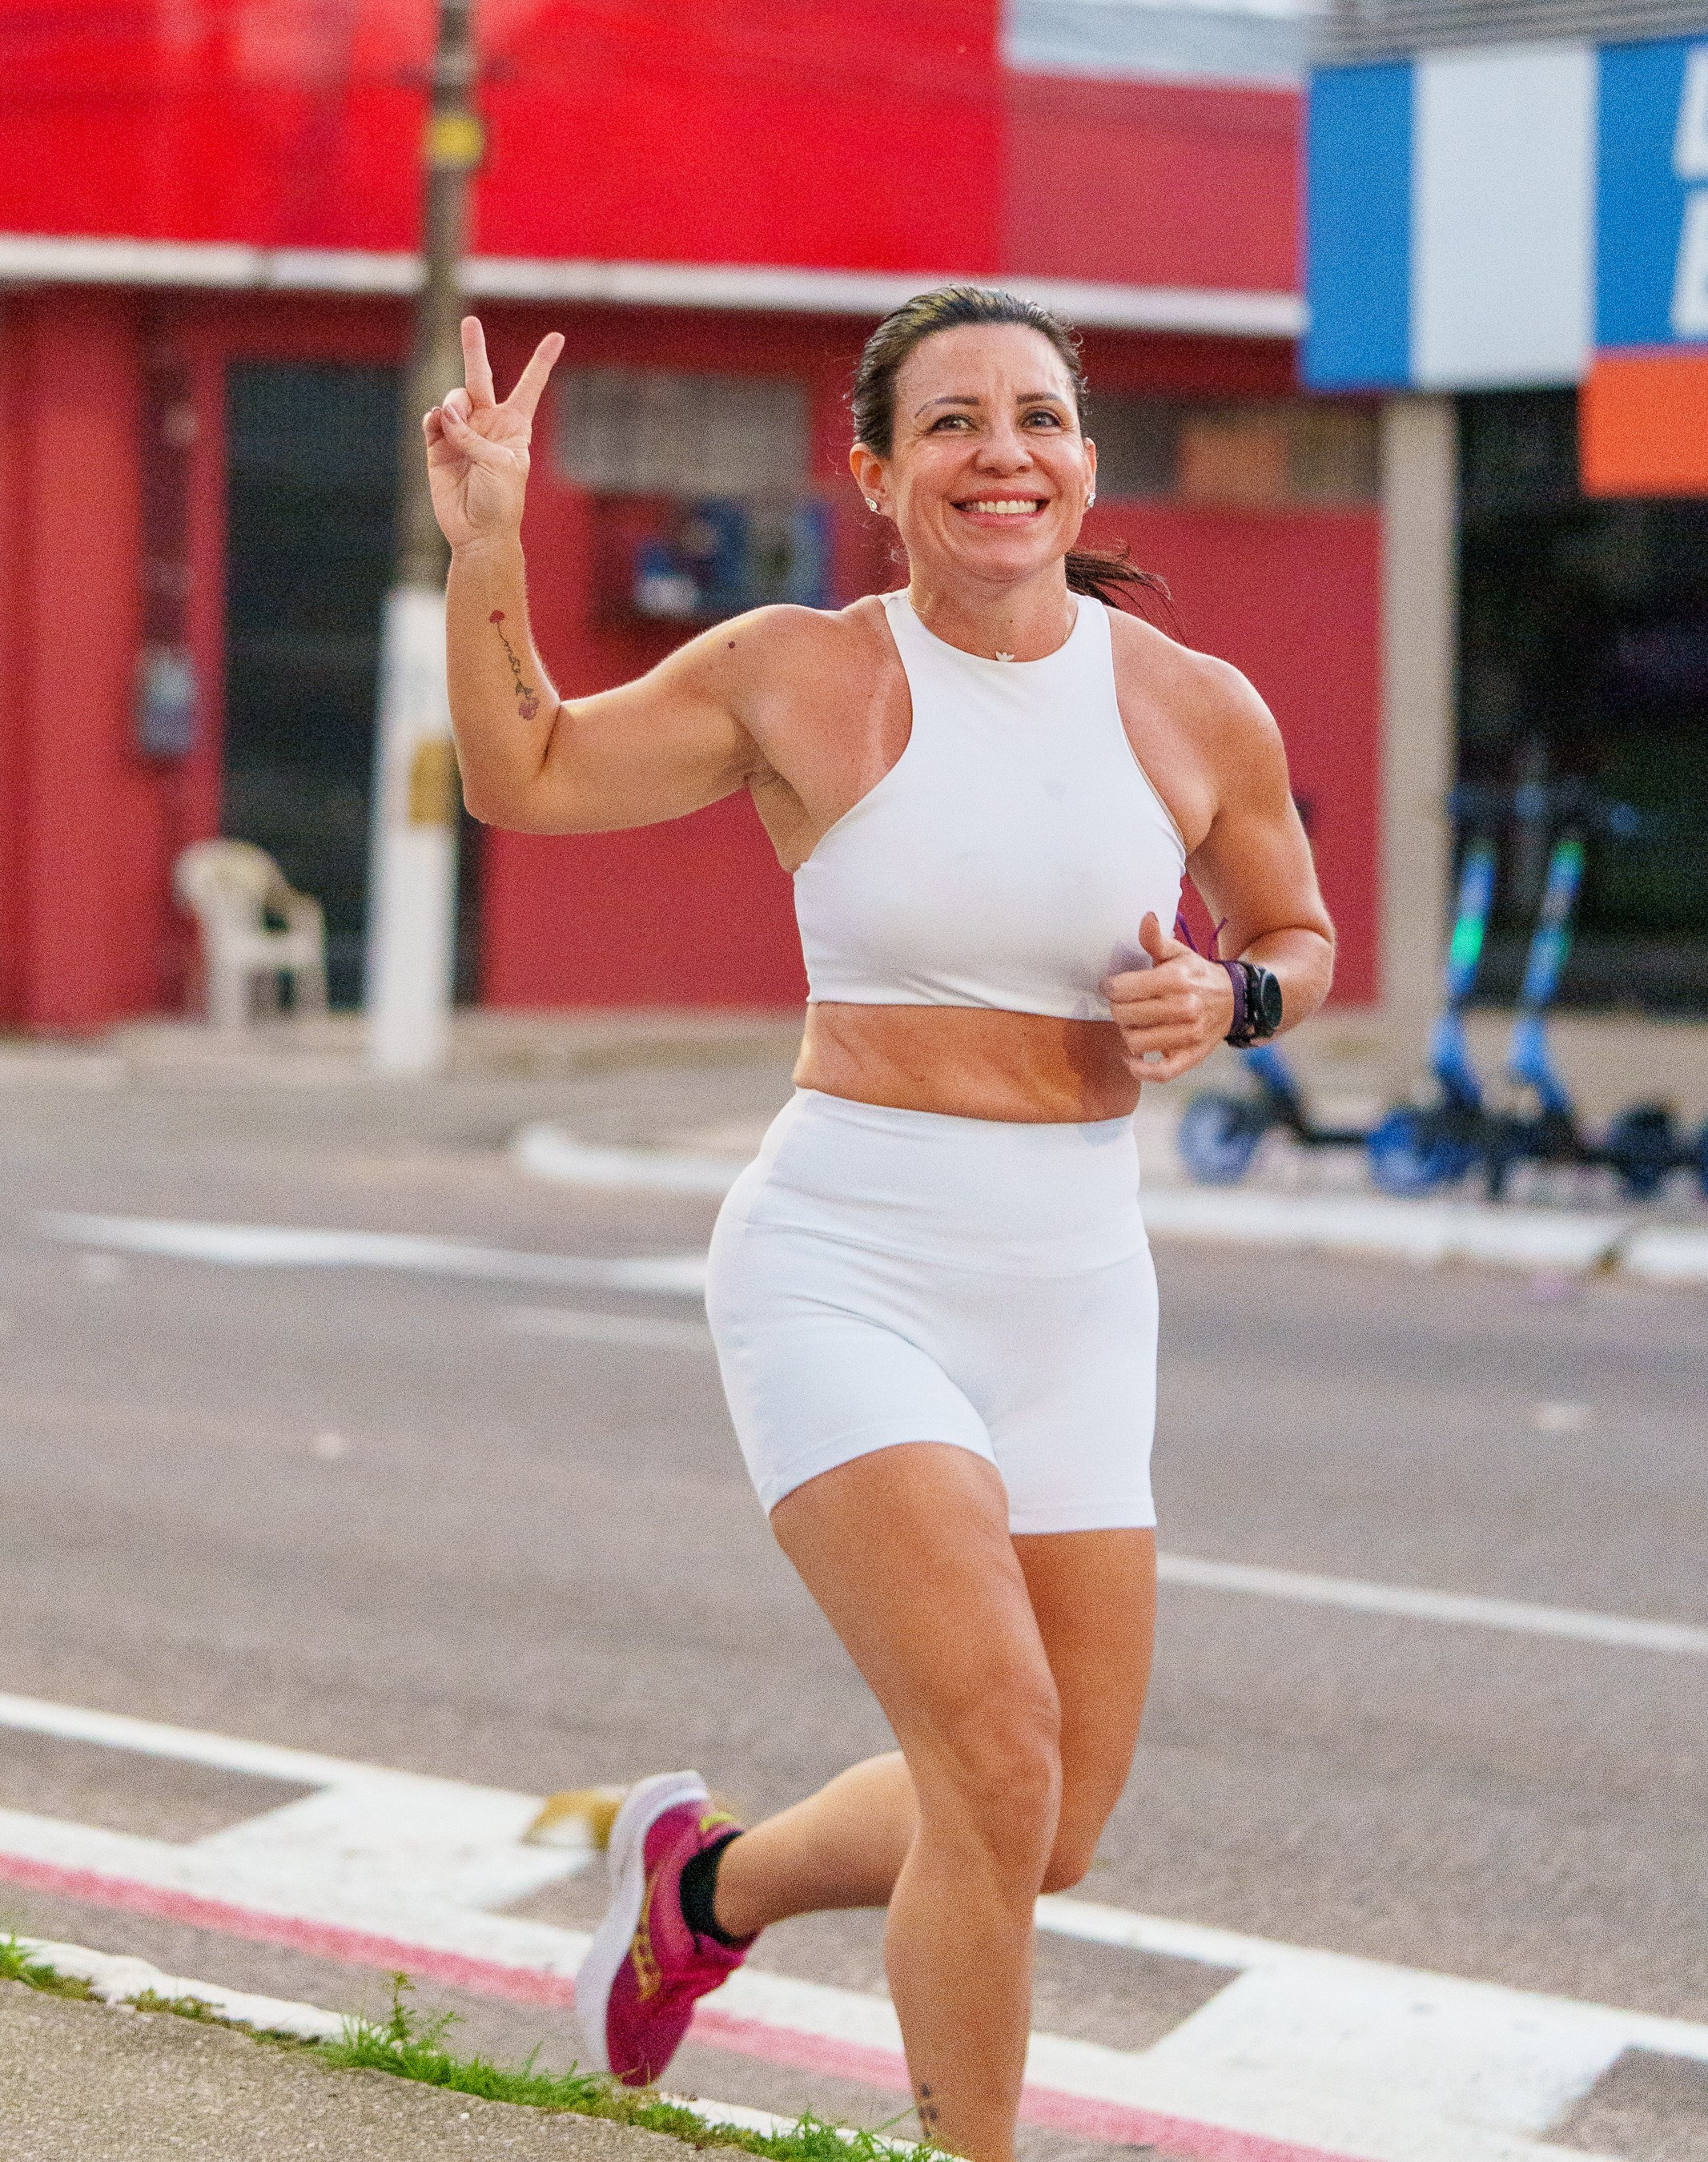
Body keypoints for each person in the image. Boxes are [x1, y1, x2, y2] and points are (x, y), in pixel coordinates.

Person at [426, 285, 1334, 2162]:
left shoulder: (1196, 706)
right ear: (874, 471)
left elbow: (1297, 936)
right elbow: (530, 773)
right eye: (952, 423)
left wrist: (1232, 1000)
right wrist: (491, 544)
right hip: (849, 1265)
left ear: (1085, 460)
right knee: (994, 1754)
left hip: (1077, 1286)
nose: (1003, 454)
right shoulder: (797, 674)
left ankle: (705, 1891)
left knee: (1050, 1821)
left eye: (1038, 417)